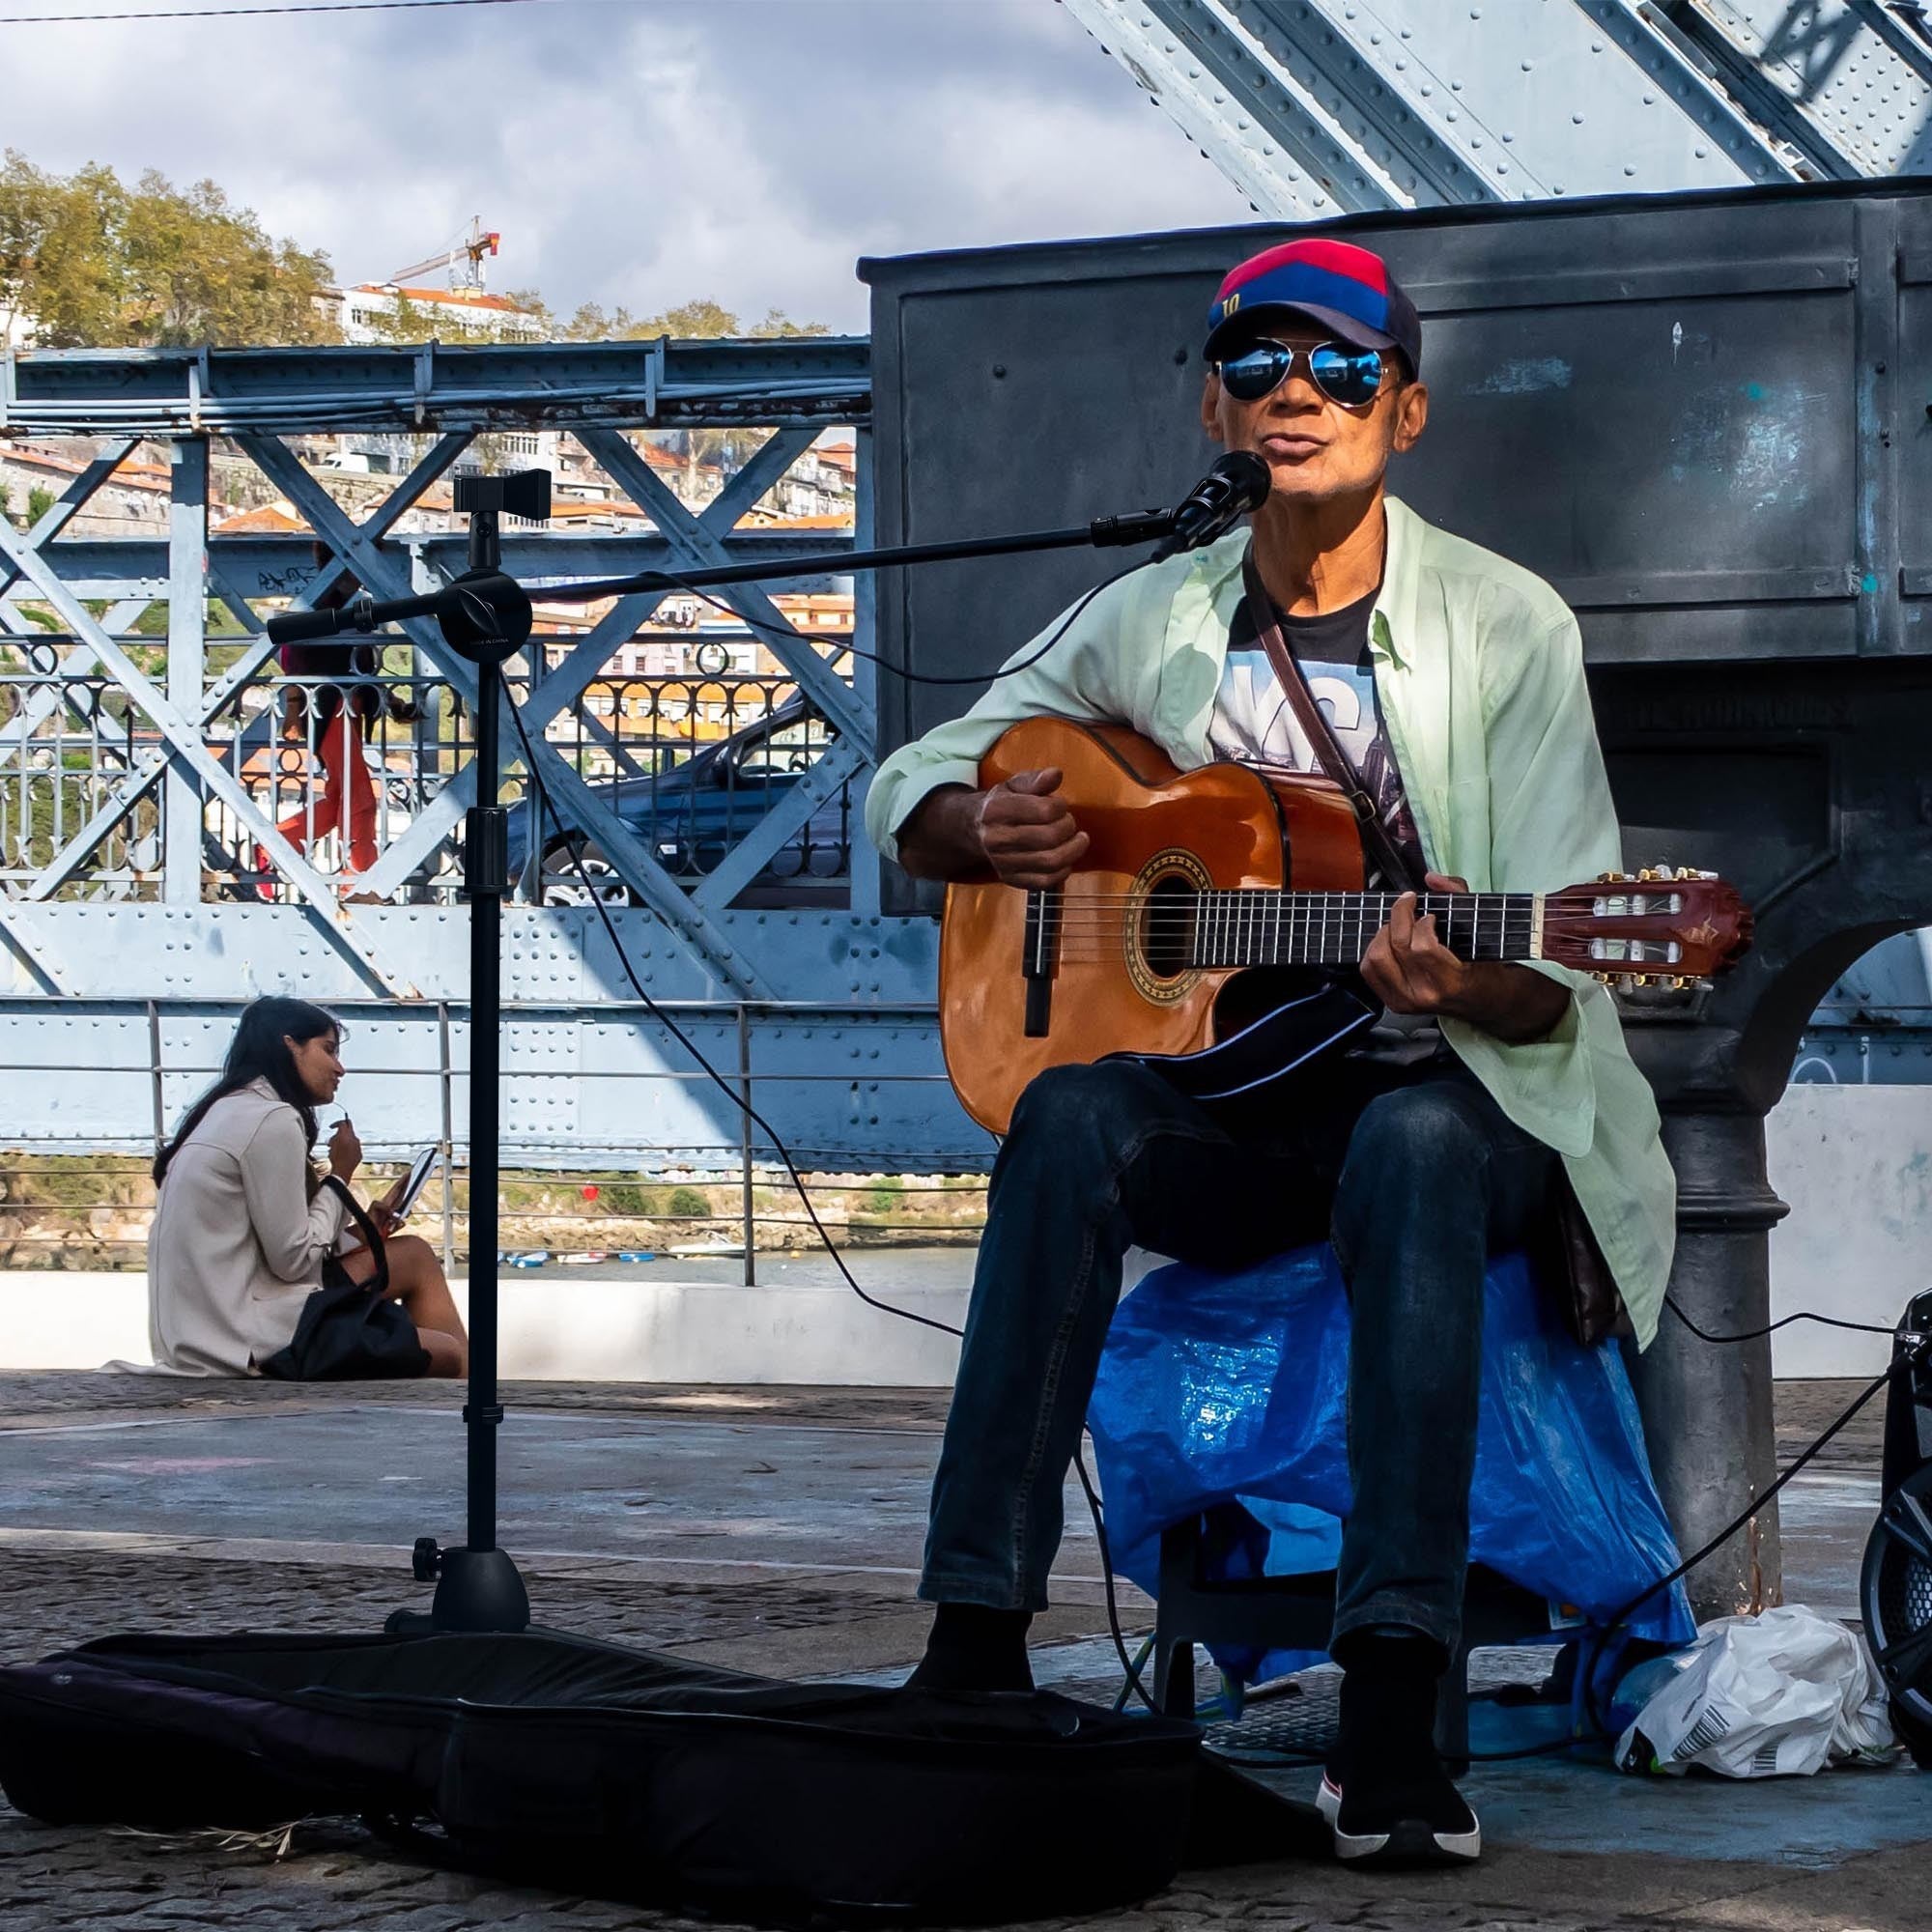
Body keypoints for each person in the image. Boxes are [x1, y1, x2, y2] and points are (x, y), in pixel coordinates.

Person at [864, 238, 1676, 1866]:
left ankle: (1392, 1708)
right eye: (1257, 366)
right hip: (1250, 1109)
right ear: (1214, 411)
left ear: (1406, 411)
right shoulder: (1155, 613)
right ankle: (972, 1644)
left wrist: (1460, 979)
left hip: (1466, 1097)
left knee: (1415, 1142)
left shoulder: (1504, 625)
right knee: (1072, 1118)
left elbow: (1559, 991)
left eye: (1341, 369)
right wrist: (977, 824)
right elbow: (925, 772)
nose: (1296, 394)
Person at [147, 995, 468, 1379]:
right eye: (328, 1050)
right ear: (290, 1046)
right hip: (243, 1337)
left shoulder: (229, 1109)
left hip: (208, 1325)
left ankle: (475, 1405)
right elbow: (294, 1261)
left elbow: (278, 1244)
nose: (339, 1068)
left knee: (413, 1254)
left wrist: (363, 1228)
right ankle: (477, 1410)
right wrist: (341, 1175)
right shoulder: (272, 1119)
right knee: (447, 1352)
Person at [257, 546, 383, 893]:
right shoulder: (324, 604)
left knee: (341, 796)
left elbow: (362, 663)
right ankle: (359, 880)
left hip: (344, 707)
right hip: (332, 708)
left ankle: (277, 846)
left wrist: (390, 701)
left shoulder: (348, 602)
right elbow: (295, 658)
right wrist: (293, 709)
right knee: (359, 797)